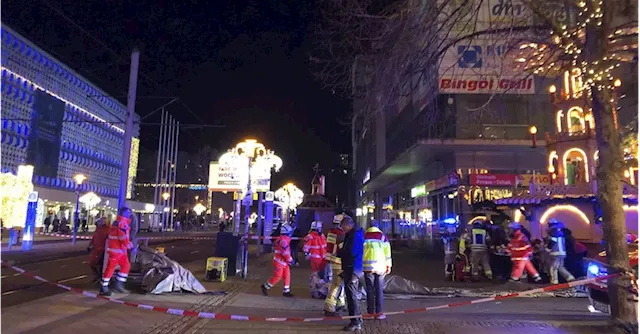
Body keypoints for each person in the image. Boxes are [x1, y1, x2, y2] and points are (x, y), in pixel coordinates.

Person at [338, 214, 364, 332]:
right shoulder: (355, 234)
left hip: (352, 268)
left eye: (344, 228)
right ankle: (357, 318)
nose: (343, 230)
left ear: (348, 226)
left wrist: (340, 252)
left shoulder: (354, 235)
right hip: (353, 267)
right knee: (351, 295)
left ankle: (355, 321)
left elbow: (351, 252)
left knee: (351, 296)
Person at [100, 207, 134, 296]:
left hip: (119, 250)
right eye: (128, 213)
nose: (130, 214)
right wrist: (130, 247)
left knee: (125, 266)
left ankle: (118, 285)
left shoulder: (119, 222)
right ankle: (104, 287)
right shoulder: (122, 223)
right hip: (117, 250)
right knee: (111, 268)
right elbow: (123, 238)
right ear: (124, 214)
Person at [363, 220, 391, 320]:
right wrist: (389, 265)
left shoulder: (364, 236)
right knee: (379, 289)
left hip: (367, 267)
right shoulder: (383, 237)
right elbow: (387, 252)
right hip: (380, 267)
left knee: (369, 290)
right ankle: (379, 312)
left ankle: (370, 313)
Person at [261, 224, 295, 297]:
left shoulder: (283, 239)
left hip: (282, 261)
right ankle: (265, 286)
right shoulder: (283, 241)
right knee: (278, 276)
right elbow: (285, 253)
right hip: (280, 261)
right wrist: (291, 260)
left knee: (287, 275)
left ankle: (286, 291)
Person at [323, 213, 347, 316]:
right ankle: (329, 308)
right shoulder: (341, 233)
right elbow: (342, 248)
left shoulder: (331, 232)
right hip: (339, 261)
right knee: (336, 285)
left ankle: (340, 304)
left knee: (338, 283)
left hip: (333, 260)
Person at [88, 218, 110, 282]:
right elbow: (94, 238)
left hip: (103, 250)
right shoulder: (98, 229)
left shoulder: (108, 230)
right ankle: (97, 276)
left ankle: (100, 277)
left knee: (100, 264)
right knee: (92, 263)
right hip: (96, 249)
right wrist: (90, 245)